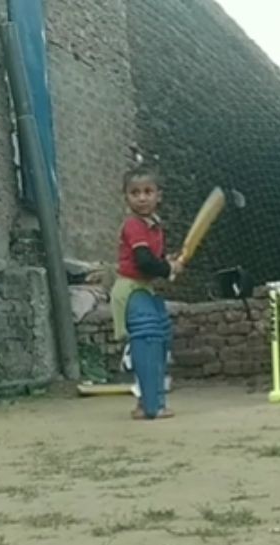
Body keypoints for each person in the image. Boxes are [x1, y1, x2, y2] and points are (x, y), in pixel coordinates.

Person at [110, 166, 184, 420]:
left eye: (148, 192)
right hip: (131, 290)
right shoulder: (134, 225)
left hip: (144, 289)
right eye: (135, 193)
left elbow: (154, 260)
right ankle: (152, 406)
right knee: (148, 338)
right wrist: (168, 268)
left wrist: (169, 262)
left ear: (158, 195)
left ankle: (146, 403)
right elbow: (143, 262)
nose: (142, 198)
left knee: (160, 338)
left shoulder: (154, 225)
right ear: (126, 197)